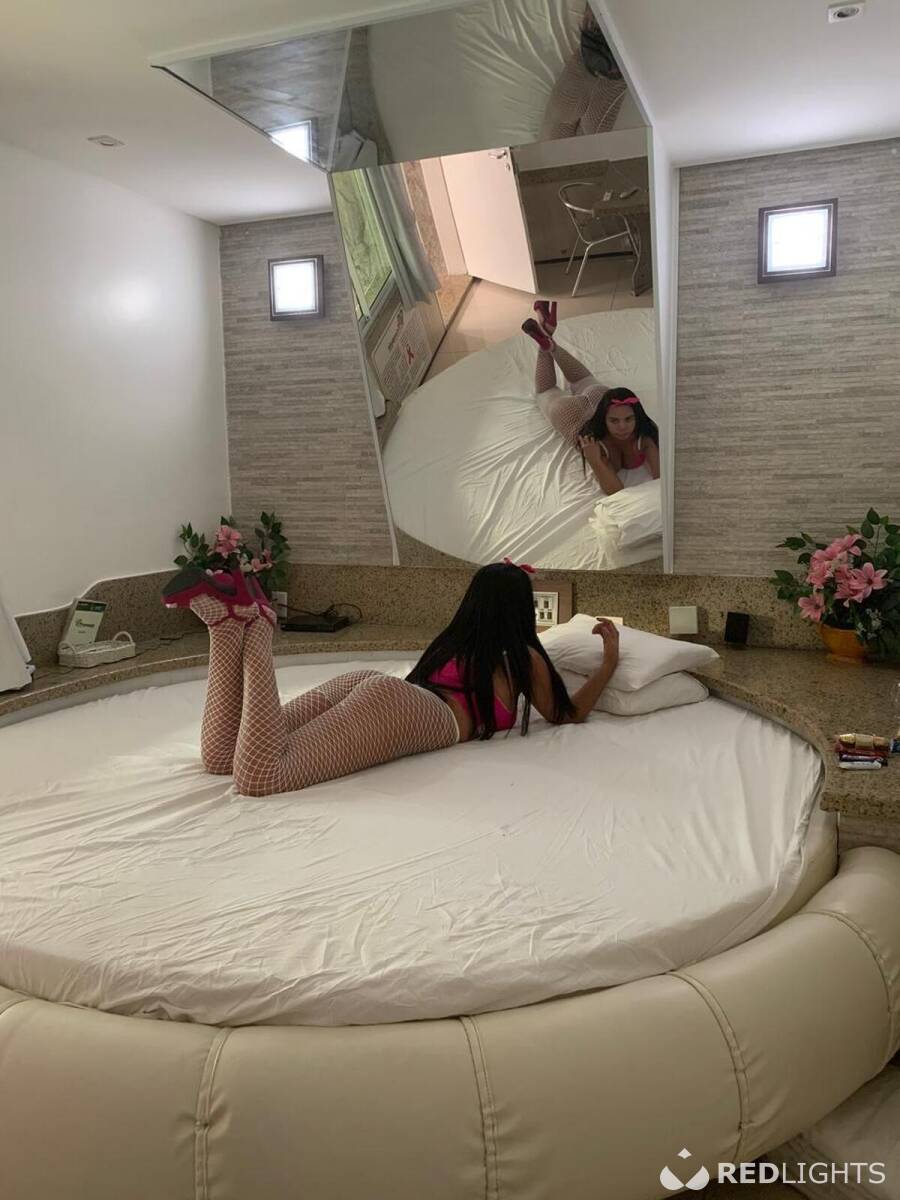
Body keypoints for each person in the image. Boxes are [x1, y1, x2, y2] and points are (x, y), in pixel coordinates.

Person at [161, 561, 620, 797]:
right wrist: (608, 663)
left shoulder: (456, 640)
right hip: (409, 710)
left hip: (376, 687)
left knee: (222, 758)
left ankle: (224, 626)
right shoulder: (521, 656)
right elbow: (567, 714)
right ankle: (259, 625)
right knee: (261, 776)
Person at [522, 300, 660, 495]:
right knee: (547, 391)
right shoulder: (642, 437)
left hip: (600, 399)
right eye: (615, 421)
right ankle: (547, 344)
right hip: (573, 416)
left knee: (583, 379)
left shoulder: (641, 436)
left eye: (629, 419)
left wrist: (595, 459)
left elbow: (627, 487)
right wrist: (595, 461)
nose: (622, 427)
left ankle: (549, 343)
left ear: (637, 417)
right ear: (604, 418)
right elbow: (615, 491)